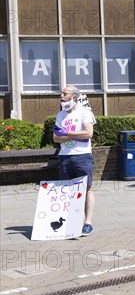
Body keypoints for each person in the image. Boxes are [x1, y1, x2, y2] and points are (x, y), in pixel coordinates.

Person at [53, 85, 96, 236]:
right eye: (61, 94)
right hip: (65, 156)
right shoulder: (60, 115)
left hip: (82, 155)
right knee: (69, 190)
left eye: (65, 94)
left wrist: (67, 134)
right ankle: (73, 221)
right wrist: (75, 135)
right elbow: (56, 138)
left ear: (74, 97)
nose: (61, 96)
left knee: (87, 188)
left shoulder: (84, 112)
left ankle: (88, 222)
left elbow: (88, 133)